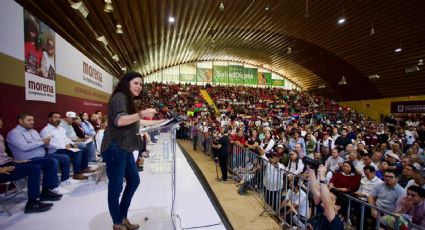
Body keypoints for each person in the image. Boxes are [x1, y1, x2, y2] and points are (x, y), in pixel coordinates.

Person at [100, 72, 164, 230]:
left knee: (134, 181)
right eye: (136, 83)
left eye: (141, 85)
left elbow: (136, 121)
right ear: (127, 83)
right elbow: (120, 120)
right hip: (115, 147)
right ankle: (117, 222)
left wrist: (160, 122)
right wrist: (142, 113)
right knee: (115, 188)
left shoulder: (127, 99)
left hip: (125, 148)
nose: (139, 87)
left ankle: (122, 216)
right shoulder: (120, 96)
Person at [307, 165, 344, 230]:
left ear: (337, 207)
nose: (324, 199)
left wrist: (322, 177)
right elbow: (315, 190)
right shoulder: (322, 210)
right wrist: (311, 168)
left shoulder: (336, 222)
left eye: (331, 199)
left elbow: (327, 203)